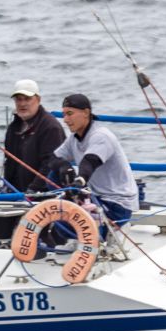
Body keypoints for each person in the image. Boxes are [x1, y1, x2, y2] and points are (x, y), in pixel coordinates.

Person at [50, 94, 136, 235]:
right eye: (64, 115)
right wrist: (63, 167)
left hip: (117, 204)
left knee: (67, 226)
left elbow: (89, 162)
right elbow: (53, 159)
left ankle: (111, 233)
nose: (65, 120)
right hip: (95, 198)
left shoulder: (101, 136)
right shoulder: (74, 139)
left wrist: (80, 179)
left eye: (70, 114)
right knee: (54, 174)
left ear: (86, 113)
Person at [1, 80, 67, 194]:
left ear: (38, 100)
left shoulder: (51, 127)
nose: (22, 104)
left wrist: (34, 189)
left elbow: (50, 164)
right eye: (18, 99)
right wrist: (7, 187)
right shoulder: (14, 127)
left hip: (45, 194)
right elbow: (9, 161)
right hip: (17, 193)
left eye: (27, 99)